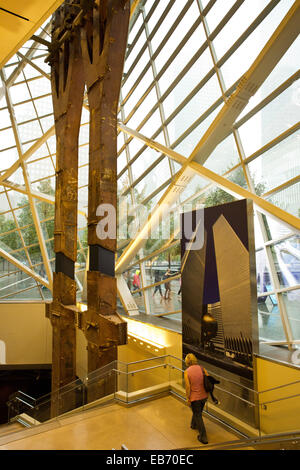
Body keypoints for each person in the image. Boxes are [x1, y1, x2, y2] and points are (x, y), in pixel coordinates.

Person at [184, 353, 208, 444]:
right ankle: (193, 424)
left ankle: (203, 437)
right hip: (204, 396)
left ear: (187, 361)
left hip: (195, 398)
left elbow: (187, 387)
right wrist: (208, 393)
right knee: (197, 412)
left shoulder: (187, 372)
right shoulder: (202, 368)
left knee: (198, 415)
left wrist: (188, 398)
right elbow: (208, 380)